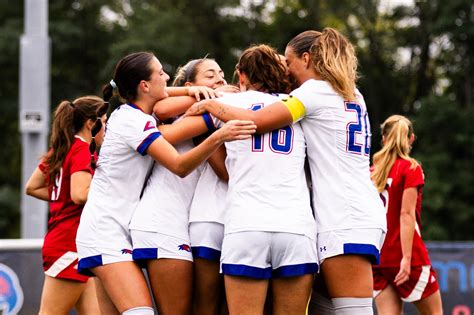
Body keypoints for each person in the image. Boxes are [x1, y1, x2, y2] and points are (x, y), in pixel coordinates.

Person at [185, 28, 387, 314]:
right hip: (352, 210)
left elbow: (256, 120)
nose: (287, 72)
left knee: (353, 311)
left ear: (306, 58)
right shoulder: (352, 91)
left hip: (343, 215)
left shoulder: (313, 91)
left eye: (289, 62)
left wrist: (212, 104)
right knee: (325, 307)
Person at [75, 51, 256, 315]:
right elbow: (180, 166)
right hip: (105, 231)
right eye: (160, 73)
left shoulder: (138, 113)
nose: (168, 77)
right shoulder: (131, 120)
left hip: (118, 228)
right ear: (144, 85)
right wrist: (219, 134)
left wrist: (206, 92)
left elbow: (166, 98)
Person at [178, 44, 318, 314]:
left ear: (241, 76)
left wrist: (202, 99)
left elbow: (164, 122)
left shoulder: (227, 104)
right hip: (295, 227)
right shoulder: (301, 107)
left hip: (246, 225)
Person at [129, 57, 231, 315]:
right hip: (162, 223)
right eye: (210, 75)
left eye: (221, 73)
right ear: (191, 85)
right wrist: (215, 98)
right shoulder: (186, 113)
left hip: (178, 225)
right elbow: (161, 107)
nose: (219, 79)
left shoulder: (209, 110)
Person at [25, 95, 108, 315]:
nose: (106, 128)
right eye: (105, 122)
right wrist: (114, 195)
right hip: (68, 245)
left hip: (76, 245)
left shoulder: (62, 147)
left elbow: (32, 187)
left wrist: (61, 197)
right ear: (91, 122)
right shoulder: (81, 149)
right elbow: (80, 195)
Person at [371, 115, 443, 314]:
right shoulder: (411, 168)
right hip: (406, 256)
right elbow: (406, 214)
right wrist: (407, 258)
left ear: (384, 139)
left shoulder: (371, 172)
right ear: (411, 138)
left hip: (378, 258)